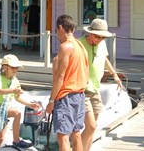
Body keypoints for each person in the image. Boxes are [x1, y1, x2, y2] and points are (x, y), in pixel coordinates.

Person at [45, 14, 89, 151]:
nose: (56, 34)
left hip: (66, 97)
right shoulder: (81, 46)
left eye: (56, 31)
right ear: (73, 29)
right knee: (76, 134)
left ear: (60, 28)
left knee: (63, 136)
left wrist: (51, 101)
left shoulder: (65, 47)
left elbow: (59, 77)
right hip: (80, 95)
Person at [79, 18, 123, 151]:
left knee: (93, 127)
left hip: (95, 89)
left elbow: (105, 60)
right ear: (90, 33)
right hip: (83, 89)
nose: (99, 40)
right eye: (97, 37)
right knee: (91, 125)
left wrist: (114, 75)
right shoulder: (79, 45)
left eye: (102, 38)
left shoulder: (102, 45)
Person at [0, 54, 40, 149]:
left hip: (4, 110)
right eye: (12, 68)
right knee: (17, 113)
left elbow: (17, 97)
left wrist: (30, 104)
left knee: (0, 138)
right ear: (4, 67)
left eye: (16, 68)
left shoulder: (15, 81)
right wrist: (13, 90)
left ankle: (12, 142)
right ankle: (16, 141)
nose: (15, 70)